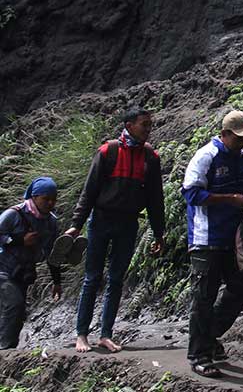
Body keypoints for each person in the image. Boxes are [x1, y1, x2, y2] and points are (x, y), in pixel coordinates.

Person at [66, 107, 165, 353]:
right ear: (129, 125)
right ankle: (81, 335)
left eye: (150, 125)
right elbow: (89, 192)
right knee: (92, 278)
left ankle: (106, 334)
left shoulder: (151, 157)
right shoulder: (108, 151)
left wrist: (159, 232)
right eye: (144, 124)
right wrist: (76, 226)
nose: (148, 129)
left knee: (116, 279)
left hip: (128, 223)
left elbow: (155, 199)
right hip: (100, 220)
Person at [181, 110, 243, 378]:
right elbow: (192, 194)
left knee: (241, 287)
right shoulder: (207, 156)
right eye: (238, 138)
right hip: (206, 238)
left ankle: (210, 336)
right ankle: (199, 355)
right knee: (203, 297)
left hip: (234, 238)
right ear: (224, 134)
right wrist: (230, 199)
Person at [0, 177, 62, 349]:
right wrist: (19, 240)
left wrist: (57, 282)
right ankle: (5, 349)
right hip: (3, 269)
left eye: (53, 199)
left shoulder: (51, 222)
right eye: (45, 198)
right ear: (34, 197)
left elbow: (52, 252)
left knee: (17, 312)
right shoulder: (14, 214)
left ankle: (9, 350)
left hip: (22, 273)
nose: (50, 203)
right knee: (15, 304)